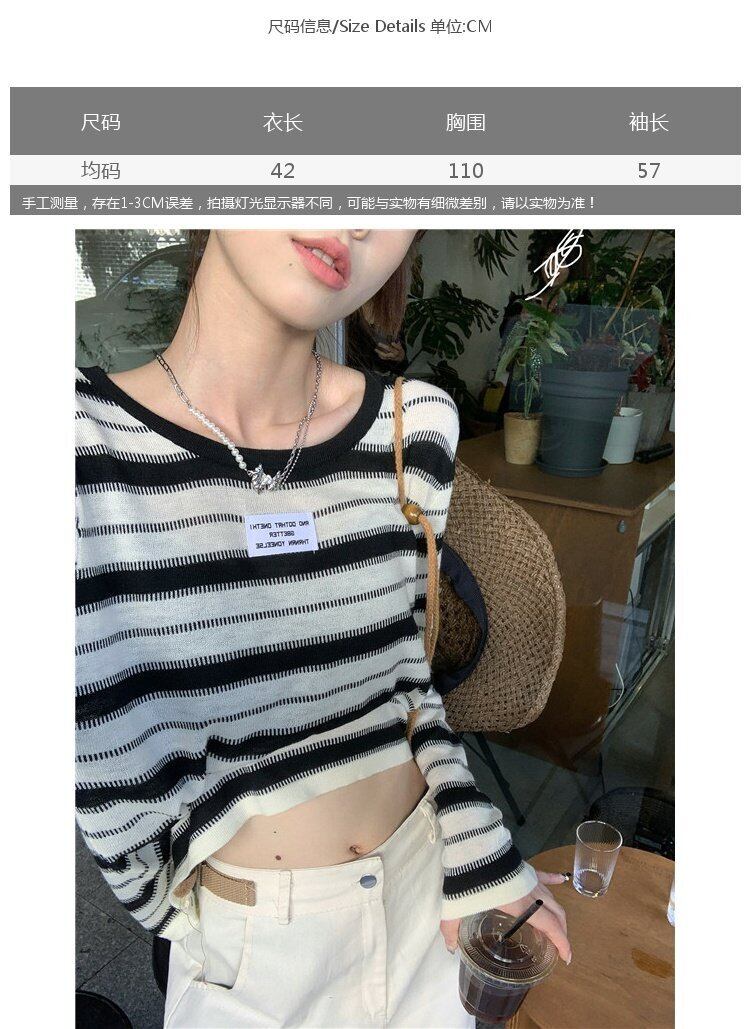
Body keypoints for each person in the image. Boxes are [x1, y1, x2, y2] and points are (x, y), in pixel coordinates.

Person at [75, 229, 570, 1028]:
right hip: (258, 957)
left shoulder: (413, 426)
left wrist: (477, 843)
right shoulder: (78, 447)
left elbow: (410, 685)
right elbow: (97, 767)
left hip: (432, 907)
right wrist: (203, 922)